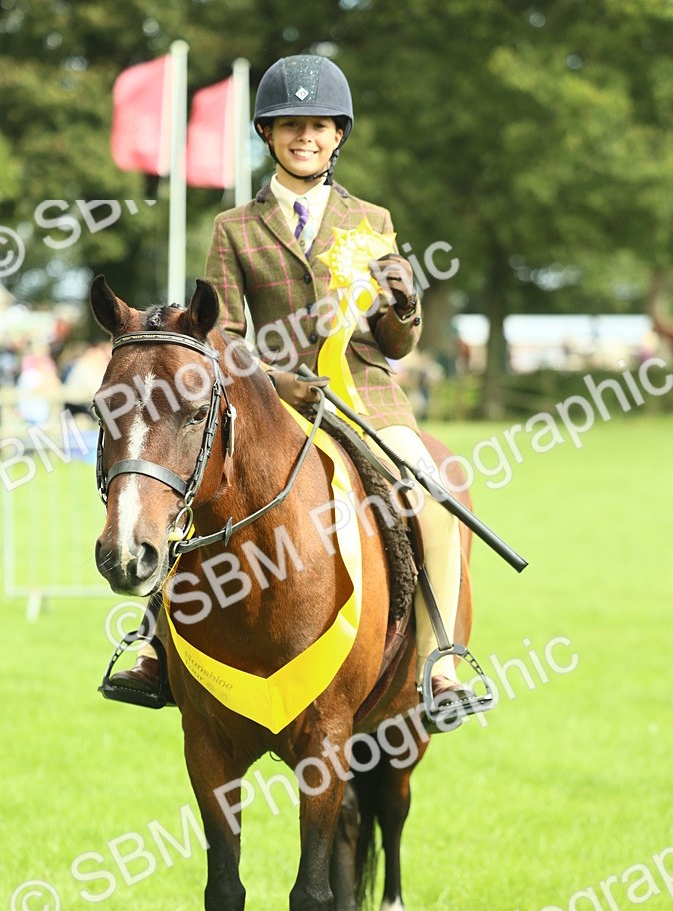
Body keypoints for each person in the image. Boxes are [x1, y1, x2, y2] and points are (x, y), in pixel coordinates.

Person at [113, 54, 478, 729]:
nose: (303, 137)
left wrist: (404, 306)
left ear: (338, 135)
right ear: (267, 134)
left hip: (367, 398)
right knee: (191, 491)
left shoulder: (371, 220)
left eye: (317, 126)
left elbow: (394, 343)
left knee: (433, 496)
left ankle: (441, 662)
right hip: (272, 401)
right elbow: (217, 334)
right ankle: (155, 646)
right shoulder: (235, 227)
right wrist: (276, 380)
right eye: (289, 126)